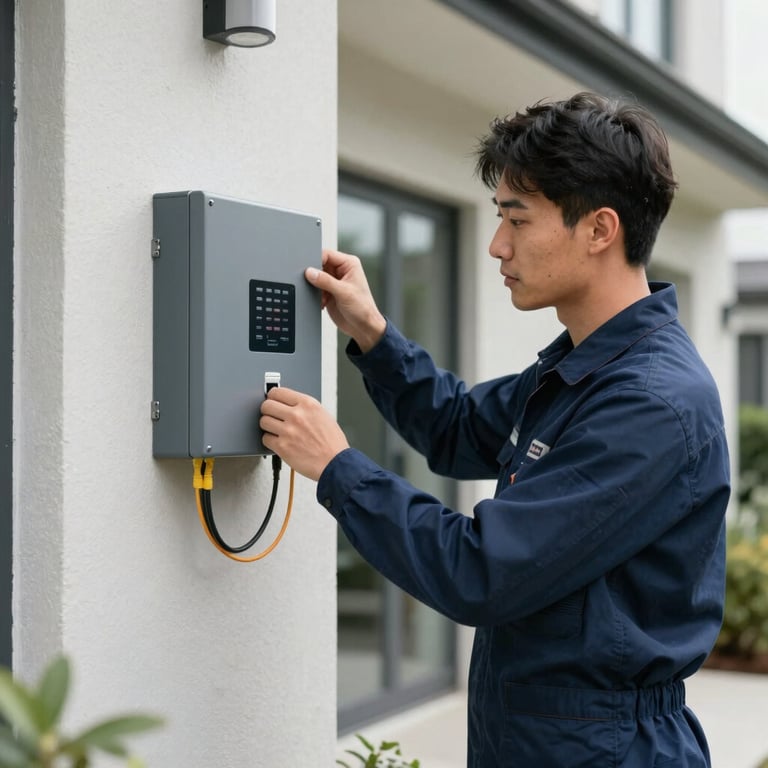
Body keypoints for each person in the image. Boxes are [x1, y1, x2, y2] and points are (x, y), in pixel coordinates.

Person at [259, 92, 729, 768]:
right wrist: (374, 334)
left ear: (599, 230)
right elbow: (457, 428)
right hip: (545, 738)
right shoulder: (584, 368)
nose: (496, 245)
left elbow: (481, 571)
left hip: (606, 750)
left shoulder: (650, 403)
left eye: (517, 219)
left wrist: (339, 467)